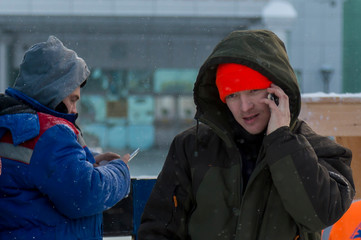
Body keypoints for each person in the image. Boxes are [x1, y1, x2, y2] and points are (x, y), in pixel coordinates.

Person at [138, 29, 355, 240]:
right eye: (232, 95)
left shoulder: (318, 149)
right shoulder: (191, 146)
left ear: (277, 90)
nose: (244, 107)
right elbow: (158, 228)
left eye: (253, 90)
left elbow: (320, 214)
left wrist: (281, 140)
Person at [0, 36, 131, 239]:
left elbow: (39, 168)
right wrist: (120, 171)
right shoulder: (49, 133)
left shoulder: (10, 122)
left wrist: (88, 160)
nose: (74, 110)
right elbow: (86, 193)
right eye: (72, 99)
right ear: (54, 90)